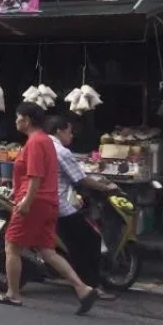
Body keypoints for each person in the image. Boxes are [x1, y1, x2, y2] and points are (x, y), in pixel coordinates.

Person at [0, 103, 99, 314]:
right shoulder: (46, 141)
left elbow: (36, 176)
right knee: (47, 251)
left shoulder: (35, 142)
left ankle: (12, 294)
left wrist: (26, 202)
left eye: (18, 117)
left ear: (27, 120)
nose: (16, 121)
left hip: (34, 204)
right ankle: (83, 289)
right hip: (48, 203)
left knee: (12, 246)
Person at [48, 115, 120, 301]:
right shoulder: (62, 152)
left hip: (42, 201)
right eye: (69, 132)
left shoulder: (39, 144)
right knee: (92, 240)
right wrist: (105, 187)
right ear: (59, 130)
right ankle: (91, 285)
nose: (71, 136)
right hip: (58, 205)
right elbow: (81, 178)